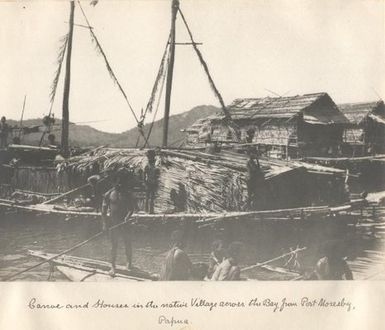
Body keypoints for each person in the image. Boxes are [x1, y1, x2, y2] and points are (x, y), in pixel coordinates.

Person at [101, 169, 138, 276]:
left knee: (128, 243)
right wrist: (105, 224)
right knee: (113, 245)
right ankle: (112, 266)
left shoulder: (127, 194)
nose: (119, 184)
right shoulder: (108, 194)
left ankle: (129, 263)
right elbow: (103, 211)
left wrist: (127, 217)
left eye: (121, 182)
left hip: (125, 223)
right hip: (113, 223)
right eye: (117, 182)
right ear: (114, 183)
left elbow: (131, 209)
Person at [144, 149, 159, 214]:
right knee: (150, 197)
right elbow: (144, 174)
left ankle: (148, 210)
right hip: (151, 182)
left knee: (149, 196)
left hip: (150, 182)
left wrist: (144, 181)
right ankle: (149, 210)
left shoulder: (150, 166)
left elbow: (144, 174)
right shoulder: (150, 166)